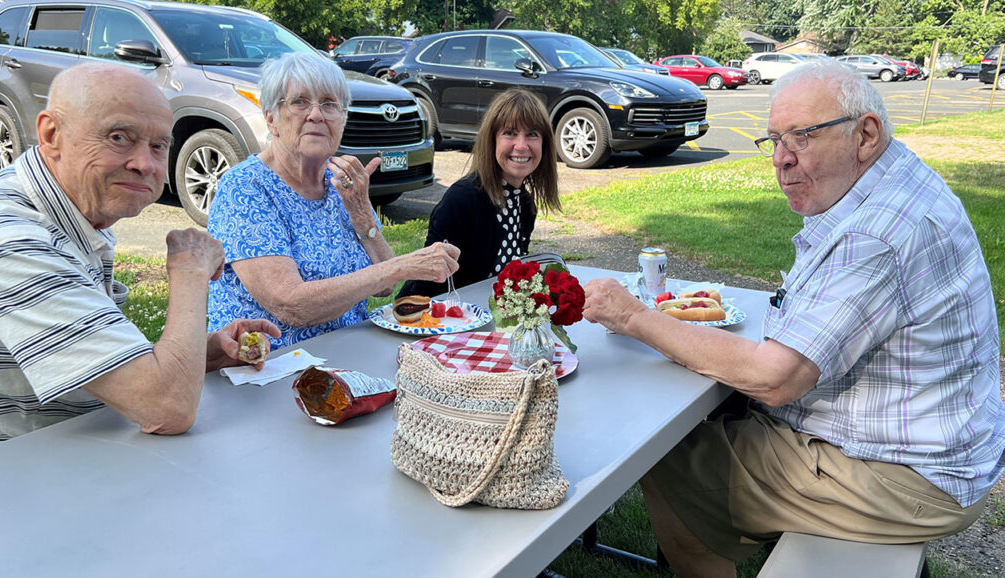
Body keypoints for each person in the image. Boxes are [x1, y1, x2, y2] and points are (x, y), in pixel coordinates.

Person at [582, 60, 1004, 577]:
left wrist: (633, 316)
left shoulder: (876, 232)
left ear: (865, 134)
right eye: (775, 141)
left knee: (672, 459)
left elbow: (775, 378)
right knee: (722, 412)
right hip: (936, 448)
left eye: (802, 136)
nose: (782, 159)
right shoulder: (894, 180)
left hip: (903, 476)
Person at [0, 63, 280, 449]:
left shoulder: (75, 207)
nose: (145, 165)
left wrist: (202, 355)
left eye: (158, 146)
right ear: (52, 134)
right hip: (19, 466)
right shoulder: (15, 239)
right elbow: (166, 408)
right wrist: (190, 270)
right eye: (119, 137)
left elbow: (102, 360)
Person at [207, 52, 459, 347]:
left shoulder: (339, 182)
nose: (316, 115)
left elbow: (385, 287)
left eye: (329, 104)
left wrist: (363, 215)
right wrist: (401, 266)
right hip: (271, 361)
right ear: (271, 119)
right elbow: (290, 305)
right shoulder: (245, 187)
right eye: (300, 102)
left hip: (346, 351)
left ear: (342, 120)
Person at [397, 88, 560, 298]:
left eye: (532, 134)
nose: (521, 145)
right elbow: (426, 286)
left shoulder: (524, 203)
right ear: (491, 140)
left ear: (544, 144)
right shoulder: (462, 200)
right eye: (509, 133)